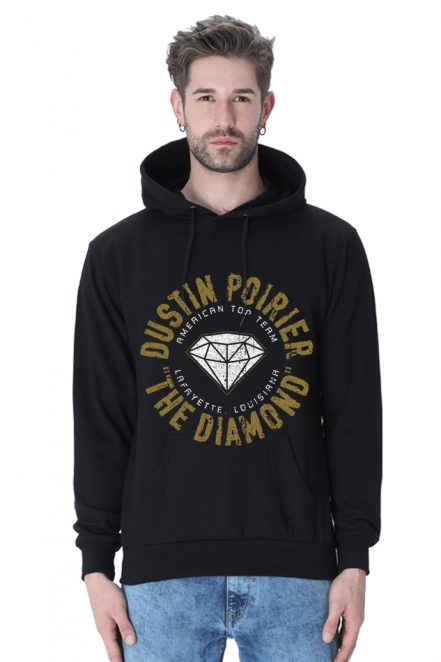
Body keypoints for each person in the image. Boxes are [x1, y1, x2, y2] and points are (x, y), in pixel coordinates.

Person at [72, 14, 382, 662]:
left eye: (241, 97)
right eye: (206, 97)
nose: (223, 117)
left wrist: (354, 558)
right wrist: (96, 564)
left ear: (265, 107)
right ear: (177, 106)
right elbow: (102, 417)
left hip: (300, 577)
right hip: (160, 580)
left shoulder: (330, 247)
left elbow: (355, 413)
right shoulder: (117, 255)